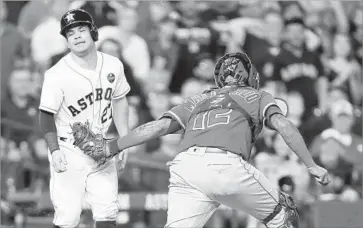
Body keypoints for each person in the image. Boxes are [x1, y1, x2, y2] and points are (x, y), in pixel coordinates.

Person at [107, 52, 330, 227]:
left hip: (185, 168)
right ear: (250, 76)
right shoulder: (258, 95)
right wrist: (311, 165)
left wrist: (112, 146)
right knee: (285, 214)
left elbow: (158, 127)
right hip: (226, 166)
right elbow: (284, 125)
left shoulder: (198, 99)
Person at [38, 9, 130, 228]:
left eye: (81, 29)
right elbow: (45, 114)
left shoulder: (113, 65)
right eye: (71, 33)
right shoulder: (56, 74)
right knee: (68, 217)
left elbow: (119, 100)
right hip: (69, 150)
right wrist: (54, 149)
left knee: (107, 211)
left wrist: (124, 139)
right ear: (67, 41)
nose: (77, 36)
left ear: (93, 32)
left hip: (102, 147)